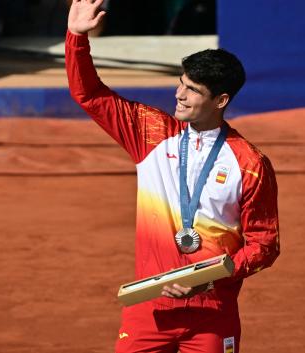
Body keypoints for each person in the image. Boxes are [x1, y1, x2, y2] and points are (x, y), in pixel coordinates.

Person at [65, 1, 280, 352]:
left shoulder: (250, 164)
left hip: (212, 315)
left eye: (193, 90)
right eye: (181, 83)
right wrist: (77, 37)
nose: (179, 95)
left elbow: (264, 245)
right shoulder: (150, 132)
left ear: (221, 100)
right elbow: (88, 94)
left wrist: (206, 280)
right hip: (150, 312)